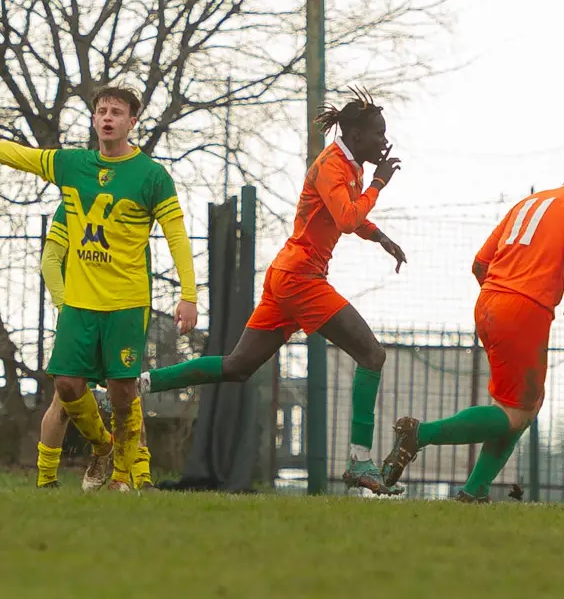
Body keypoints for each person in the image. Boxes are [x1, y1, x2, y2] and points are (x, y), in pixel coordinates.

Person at [0, 85, 198, 492]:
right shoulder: (72, 165)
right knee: (67, 385)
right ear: (93, 119)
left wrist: (188, 294)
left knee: (123, 391)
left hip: (125, 302)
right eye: (101, 110)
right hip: (80, 303)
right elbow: (17, 155)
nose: (107, 118)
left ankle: (125, 475)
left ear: (132, 122)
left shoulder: (152, 176)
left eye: (116, 112)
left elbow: (177, 235)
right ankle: (101, 446)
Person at [134, 87, 407, 495]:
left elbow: (343, 216)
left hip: (288, 276)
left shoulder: (351, 167)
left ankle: (137, 384)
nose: (384, 141)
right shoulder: (334, 165)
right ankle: (359, 460)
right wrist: (379, 186)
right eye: (378, 133)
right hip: (301, 279)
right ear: (353, 134)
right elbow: (348, 218)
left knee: (237, 366)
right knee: (372, 354)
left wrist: (381, 236)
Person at [380, 142, 564, 502]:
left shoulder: (527, 203)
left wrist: (501, 301)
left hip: (488, 302)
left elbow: (480, 264)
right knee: (515, 412)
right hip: (524, 310)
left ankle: (474, 491)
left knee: (524, 405)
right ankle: (419, 434)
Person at [35, 205, 155, 491]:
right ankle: (47, 478)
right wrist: (66, 308)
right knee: (64, 395)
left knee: (127, 394)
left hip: (122, 314)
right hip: (82, 315)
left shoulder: (133, 205)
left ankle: (140, 477)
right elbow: (50, 260)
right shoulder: (72, 206)